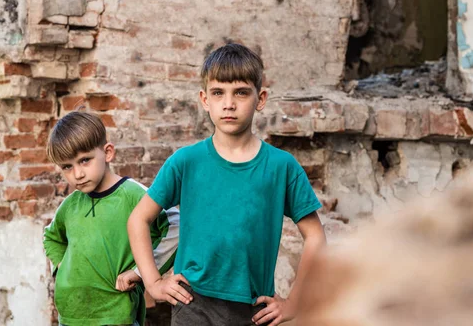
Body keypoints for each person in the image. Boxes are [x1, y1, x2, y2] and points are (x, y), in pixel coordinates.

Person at [127, 43, 326, 326]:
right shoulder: (186, 161)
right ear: (205, 99)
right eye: (218, 93)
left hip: (253, 310)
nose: (228, 103)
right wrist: (154, 282)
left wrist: (296, 301)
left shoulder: (282, 167)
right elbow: (138, 219)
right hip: (193, 304)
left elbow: (316, 237)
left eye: (241, 92)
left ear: (261, 98)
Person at [43, 111, 179, 326]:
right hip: (70, 316)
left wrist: (140, 272)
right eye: (67, 167)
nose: (77, 174)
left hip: (116, 315)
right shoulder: (70, 204)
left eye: (84, 160)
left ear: (107, 152)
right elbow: (51, 237)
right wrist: (63, 267)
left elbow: (175, 226)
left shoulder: (132, 194)